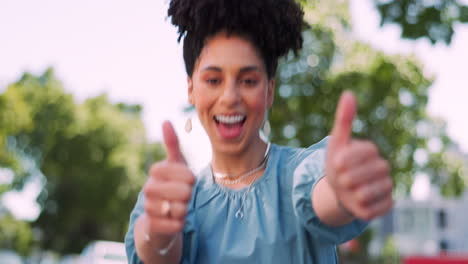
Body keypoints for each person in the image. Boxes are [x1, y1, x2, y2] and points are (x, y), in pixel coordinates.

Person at [125, 0, 394, 263]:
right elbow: (154, 251)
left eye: (248, 80)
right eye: (214, 80)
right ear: (191, 89)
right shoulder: (172, 196)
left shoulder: (302, 172)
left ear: (269, 91)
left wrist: (342, 189)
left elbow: (326, 198)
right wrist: (160, 233)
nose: (230, 97)